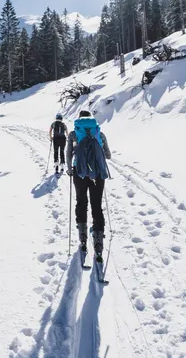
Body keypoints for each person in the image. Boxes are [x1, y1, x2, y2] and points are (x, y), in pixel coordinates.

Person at [66, 110, 112, 263]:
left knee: (81, 201)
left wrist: (70, 168)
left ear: (79, 119)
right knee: (96, 206)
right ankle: (98, 243)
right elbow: (108, 155)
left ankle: (83, 237)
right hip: (98, 174)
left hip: (79, 173)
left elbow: (68, 153)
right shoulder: (99, 132)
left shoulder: (74, 133)